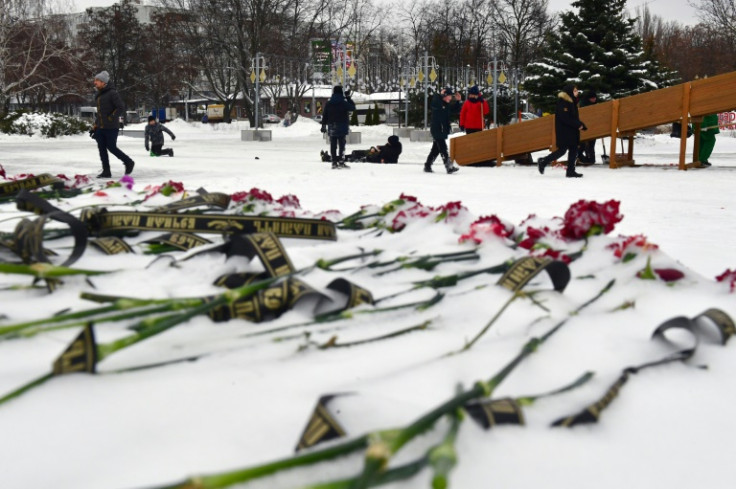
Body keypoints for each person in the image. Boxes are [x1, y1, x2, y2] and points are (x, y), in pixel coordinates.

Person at [91, 70, 135, 178]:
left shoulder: (112, 93)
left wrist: (111, 117)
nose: (95, 82)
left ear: (103, 82)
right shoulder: (99, 95)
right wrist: (95, 126)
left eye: (97, 80)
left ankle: (128, 162)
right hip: (101, 127)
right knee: (101, 149)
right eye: (95, 80)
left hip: (111, 127)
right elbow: (100, 113)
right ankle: (106, 171)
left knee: (111, 147)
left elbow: (120, 107)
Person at [537, 83, 587, 178]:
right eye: (575, 91)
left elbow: (573, 117)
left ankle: (570, 171)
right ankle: (543, 161)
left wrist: (581, 125)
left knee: (574, 149)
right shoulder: (563, 102)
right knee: (562, 150)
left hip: (571, 131)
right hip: (564, 132)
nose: (577, 92)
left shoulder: (572, 102)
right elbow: (565, 118)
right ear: (570, 92)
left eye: (577, 90)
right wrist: (578, 125)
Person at [424, 87, 462, 174]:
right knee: (443, 148)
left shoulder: (446, 104)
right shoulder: (437, 102)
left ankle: (427, 165)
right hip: (437, 129)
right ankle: (449, 166)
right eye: (449, 96)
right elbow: (435, 103)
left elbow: (454, 110)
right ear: (444, 95)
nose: (451, 98)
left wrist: (458, 101)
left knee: (436, 149)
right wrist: (441, 94)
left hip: (442, 129)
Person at [321, 85, 356, 169]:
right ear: (341, 92)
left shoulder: (329, 103)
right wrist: (348, 97)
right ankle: (341, 161)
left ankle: (334, 162)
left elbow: (325, 115)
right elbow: (353, 108)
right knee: (342, 145)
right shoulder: (343, 103)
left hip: (332, 126)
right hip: (342, 126)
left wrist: (323, 125)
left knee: (333, 145)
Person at [577, 90, 597, 165]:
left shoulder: (595, 104)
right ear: (588, 98)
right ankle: (579, 156)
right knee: (583, 144)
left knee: (591, 144)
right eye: (592, 98)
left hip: (592, 127)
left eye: (595, 98)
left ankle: (591, 159)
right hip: (583, 127)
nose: (594, 99)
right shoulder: (582, 104)